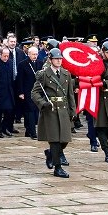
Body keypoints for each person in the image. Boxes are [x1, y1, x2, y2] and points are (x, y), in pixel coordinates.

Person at [31, 48, 76, 178]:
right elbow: (34, 93)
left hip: (63, 109)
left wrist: (73, 110)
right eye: (56, 59)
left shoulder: (66, 74)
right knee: (55, 140)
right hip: (50, 110)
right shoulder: (44, 74)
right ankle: (58, 167)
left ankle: (51, 153)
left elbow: (70, 94)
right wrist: (42, 103)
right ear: (50, 60)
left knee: (65, 140)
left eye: (60, 59)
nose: (59, 61)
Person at [15, 46, 44, 139]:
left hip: (37, 91)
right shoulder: (22, 64)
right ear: (29, 54)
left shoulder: (40, 63)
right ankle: (32, 132)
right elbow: (20, 79)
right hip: (27, 91)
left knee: (34, 111)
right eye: (33, 54)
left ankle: (28, 130)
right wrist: (20, 92)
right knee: (29, 111)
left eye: (36, 54)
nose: (35, 56)